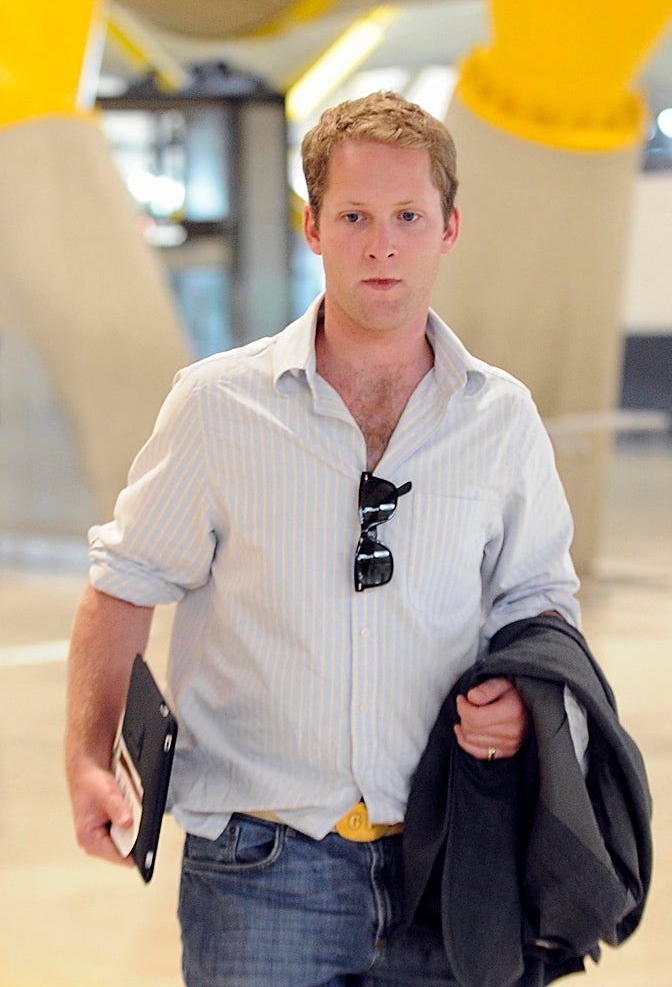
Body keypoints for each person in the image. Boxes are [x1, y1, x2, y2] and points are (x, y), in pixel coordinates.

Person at [65, 91, 582, 986]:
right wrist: (86, 760)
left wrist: (528, 705)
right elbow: (124, 587)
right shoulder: (217, 406)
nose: (382, 244)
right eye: (354, 216)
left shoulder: (501, 418)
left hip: (449, 857)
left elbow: (540, 602)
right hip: (260, 871)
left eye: (408, 216)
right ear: (313, 228)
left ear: (449, 228)